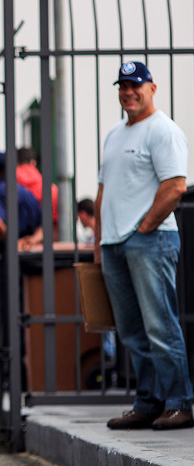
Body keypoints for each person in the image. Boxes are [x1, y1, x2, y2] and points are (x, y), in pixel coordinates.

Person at [96, 61, 193, 431]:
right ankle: (148, 403)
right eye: (122, 85)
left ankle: (180, 403)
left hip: (150, 241)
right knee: (132, 332)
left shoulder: (163, 130)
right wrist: (101, 243)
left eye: (135, 85)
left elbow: (176, 187)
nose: (128, 91)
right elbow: (103, 191)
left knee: (160, 327)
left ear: (152, 87)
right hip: (114, 245)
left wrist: (143, 228)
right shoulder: (114, 134)